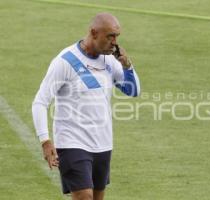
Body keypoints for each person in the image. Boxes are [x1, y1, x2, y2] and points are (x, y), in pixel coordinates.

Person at [32, 13, 140, 200]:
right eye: (110, 36)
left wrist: (127, 65)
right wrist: (45, 141)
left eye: (117, 36)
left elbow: (134, 91)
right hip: (72, 142)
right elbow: (40, 101)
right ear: (93, 33)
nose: (115, 42)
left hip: (103, 143)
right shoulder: (65, 61)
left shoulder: (110, 60)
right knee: (84, 197)